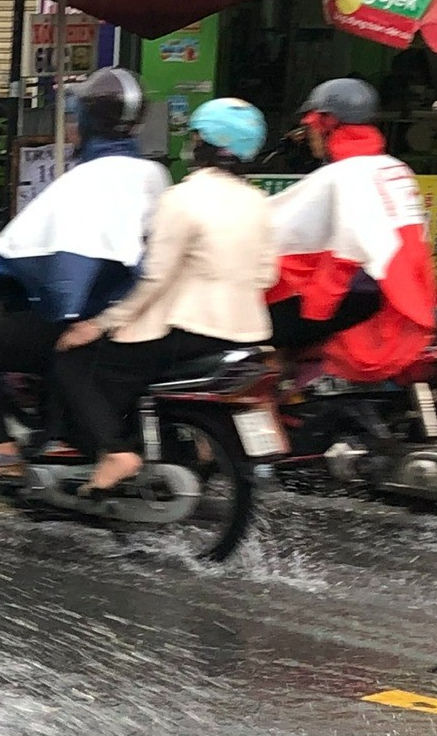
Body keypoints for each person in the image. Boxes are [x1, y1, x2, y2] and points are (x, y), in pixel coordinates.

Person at [0, 67, 170, 486]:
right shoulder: (154, 174)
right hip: (140, 315)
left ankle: (2, 455)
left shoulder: (84, 180)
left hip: (90, 318)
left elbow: (22, 250)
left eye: (76, 117)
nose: (72, 127)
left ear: (90, 121)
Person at [48, 98, 278, 495]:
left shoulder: (181, 198)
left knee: (75, 362)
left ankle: (115, 452)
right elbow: (266, 274)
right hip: (248, 333)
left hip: (188, 330)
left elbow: (153, 278)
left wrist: (100, 323)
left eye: (193, 137)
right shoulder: (258, 202)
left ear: (202, 143)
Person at [265, 78, 436, 384]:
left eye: (311, 127)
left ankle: (276, 410)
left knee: (258, 329)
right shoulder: (395, 168)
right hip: (401, 293)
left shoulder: (340, 176)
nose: (308, 136)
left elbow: (278, 231)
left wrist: (316, 311)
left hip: (356, 294)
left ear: (328, 123)